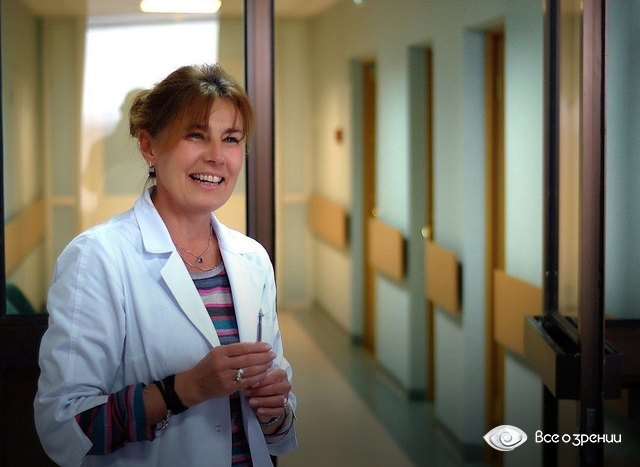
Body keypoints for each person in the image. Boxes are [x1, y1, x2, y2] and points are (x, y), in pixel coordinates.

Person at [34, 63, 297, 466]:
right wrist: (186, 388)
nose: (216, 156)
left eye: (231, 139)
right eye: (196, 135)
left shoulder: (252, 259)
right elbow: (62, 426)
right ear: (149, 146)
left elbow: (278, 423)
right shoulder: (96, 258)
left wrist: (274, 410)